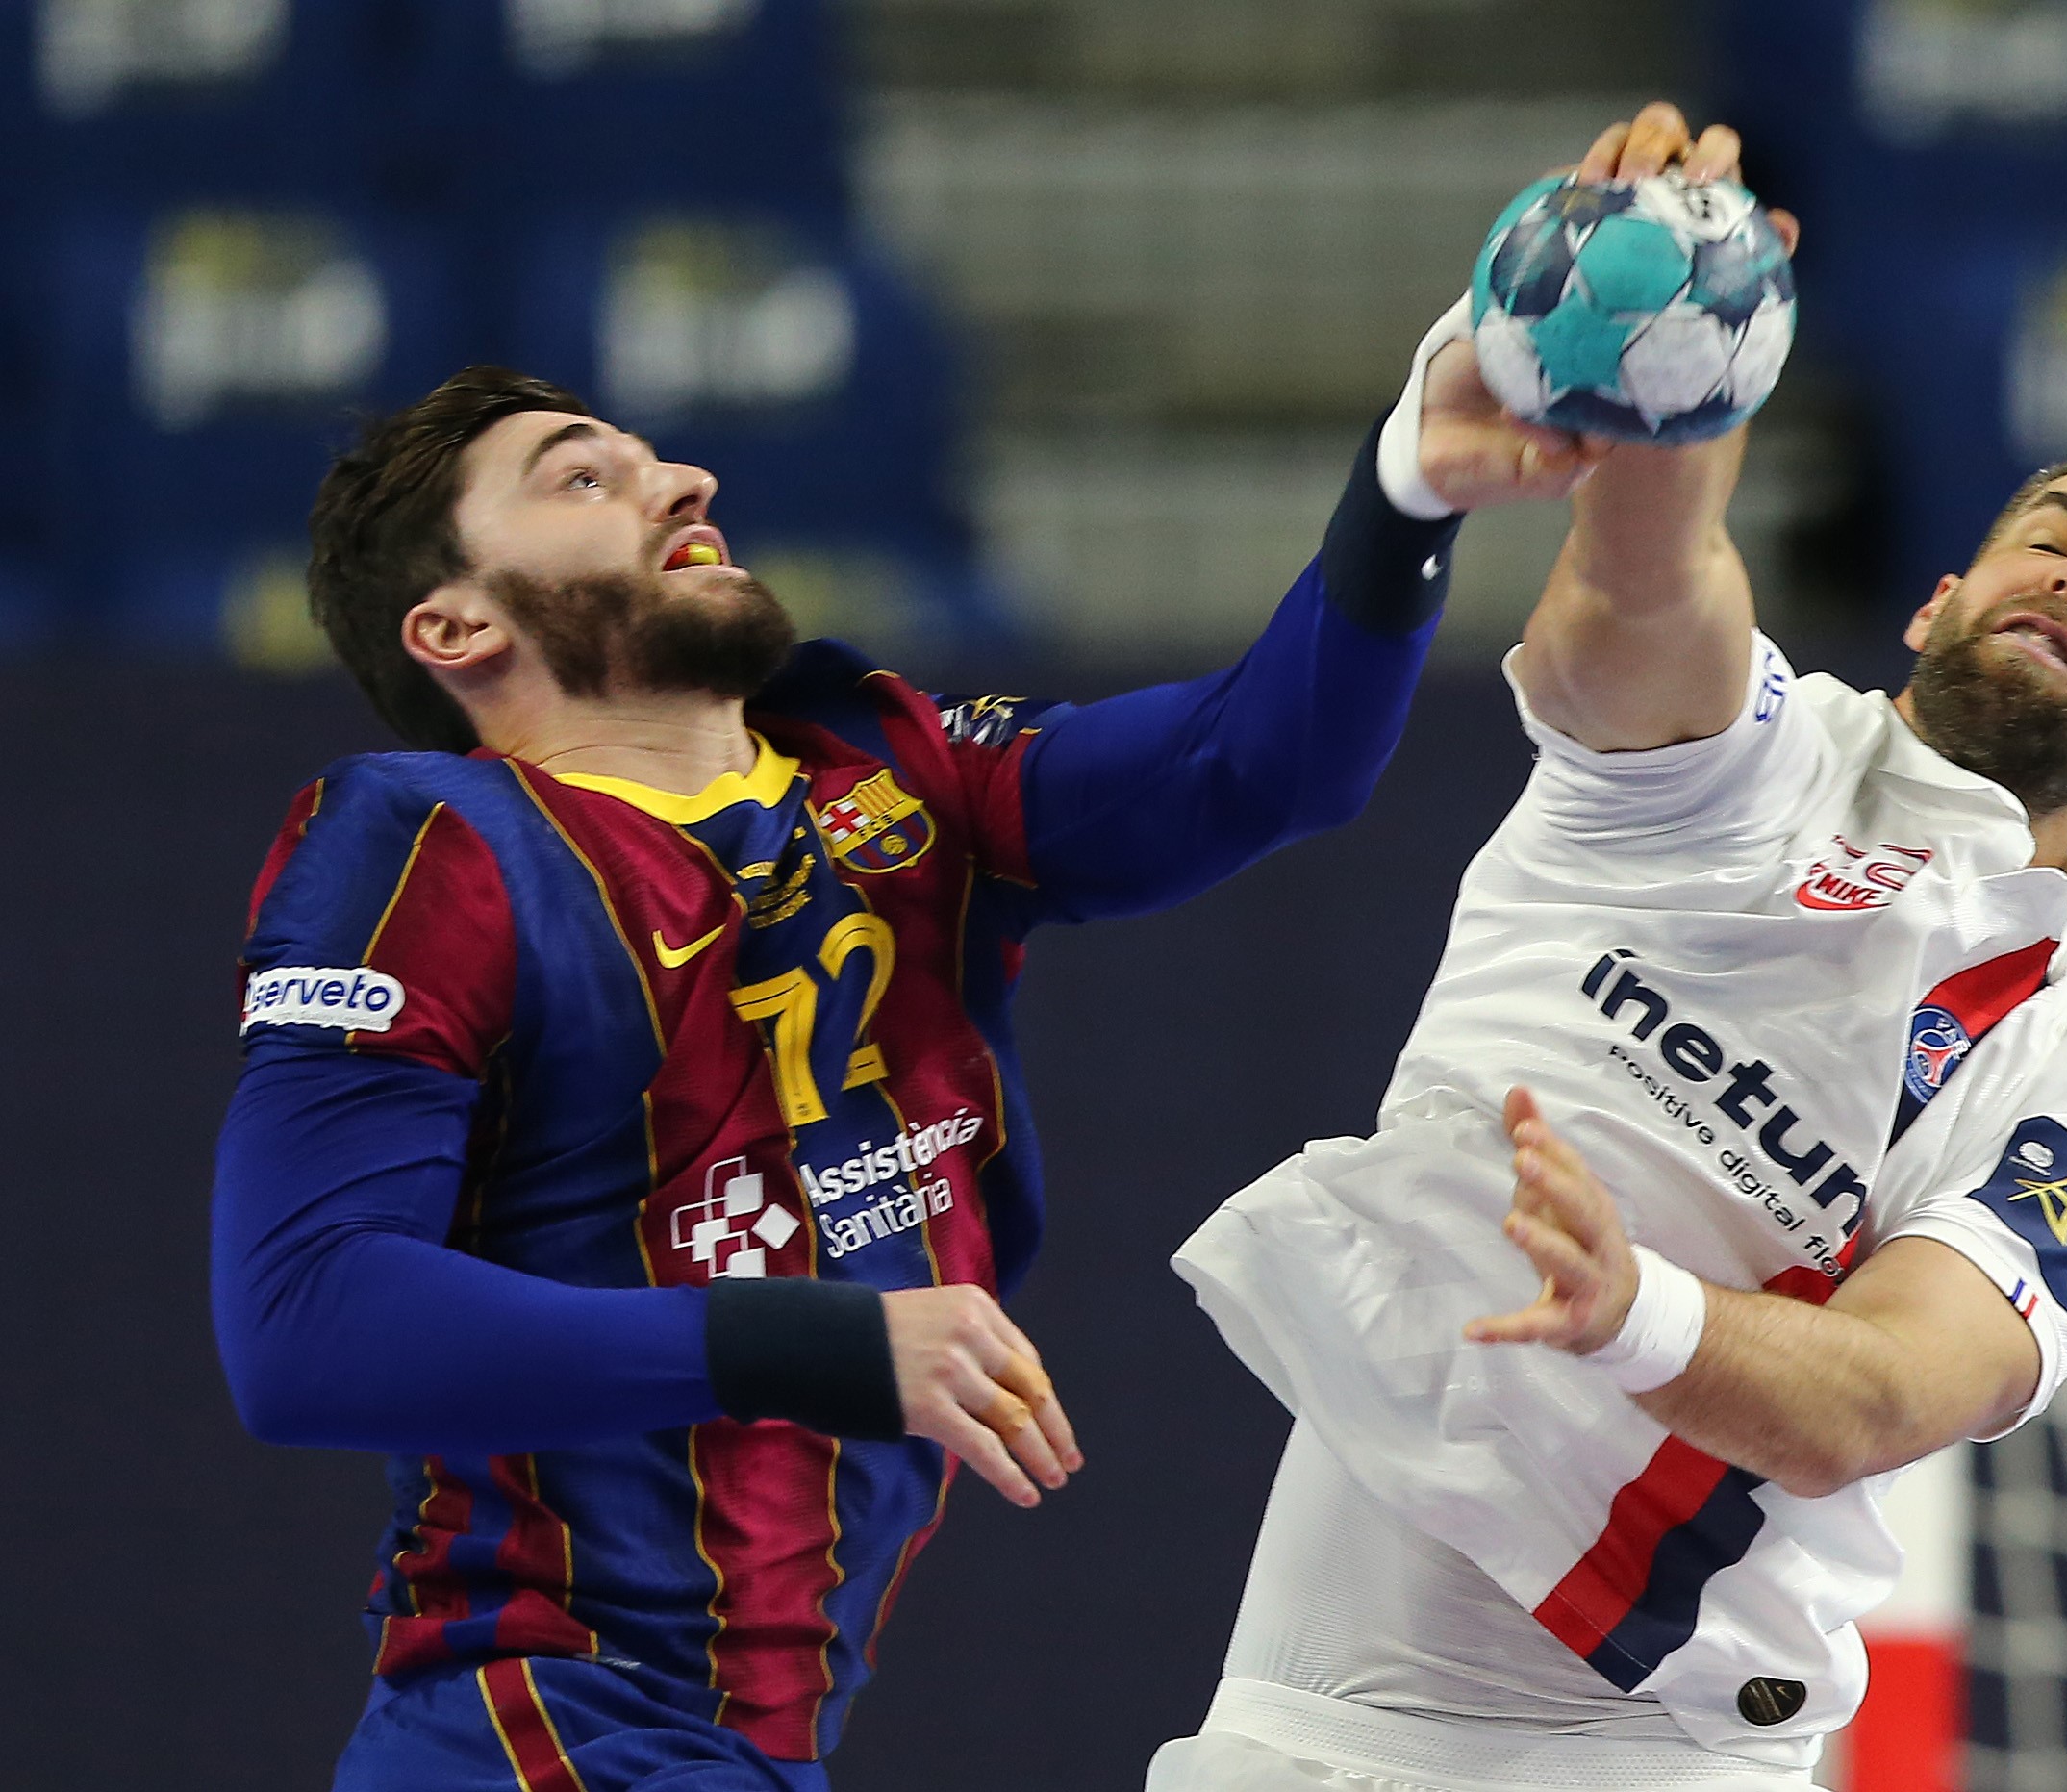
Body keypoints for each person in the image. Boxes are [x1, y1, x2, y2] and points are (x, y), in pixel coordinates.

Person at [210, 322, 1605, 1787]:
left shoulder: (891, 773)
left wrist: (1406, 490)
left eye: (656, 458)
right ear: (456, 629)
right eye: (581, 481)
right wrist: (820, 1337)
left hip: (749, 1745)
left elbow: (1263, 764)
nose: (681, 480)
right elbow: (305, 1326)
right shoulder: (431, 842)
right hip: (538, 1722)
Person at [1159, 102, 2067, 1792]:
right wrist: (1671, 328)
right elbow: (1648, 578)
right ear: (1935, 602)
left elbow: (1884, 1396)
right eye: (2053, 536)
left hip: (1661, 1751)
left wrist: (1631, 1315)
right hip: (1306, 1725)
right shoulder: (1738, 767)